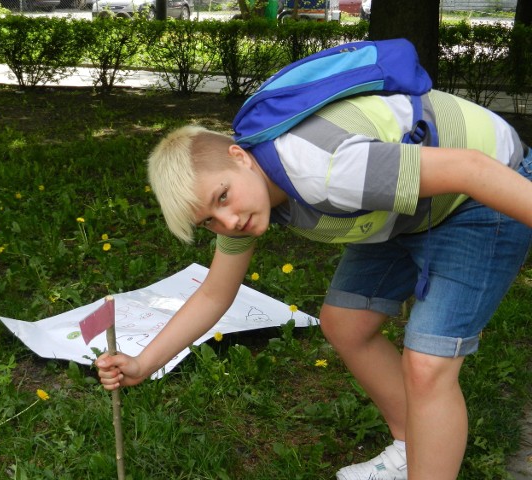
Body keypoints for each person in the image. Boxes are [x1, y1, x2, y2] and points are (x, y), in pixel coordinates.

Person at [95, 87, 532, 480]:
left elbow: (473, 169)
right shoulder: (246, 207)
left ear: (239, 156)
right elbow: (215, 292)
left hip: (485, 191)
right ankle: (411, 446)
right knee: (345, 323)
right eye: (208, 220)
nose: (227, 221)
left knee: (428, 364)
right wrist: (145, 362)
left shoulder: (325, 170)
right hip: (403, 209)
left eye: (222, 197)